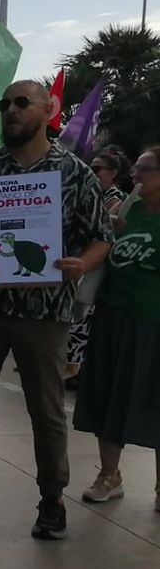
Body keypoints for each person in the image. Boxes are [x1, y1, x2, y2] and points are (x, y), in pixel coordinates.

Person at [0, 79, 113, 540]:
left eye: (21, 103)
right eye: (4, 103)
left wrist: (79, 266)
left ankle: (52, 501)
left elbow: (101, 235)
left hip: (43, 311)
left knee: (46, 412)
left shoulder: (73, 172)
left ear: (48, 110)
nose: (10, 110)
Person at [72, 149, 160, 510]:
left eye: (145, 168)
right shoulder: (125, 211)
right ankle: (110, 475)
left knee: (154, 400)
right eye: (135, 167)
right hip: (112, 317)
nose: (136, 173)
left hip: (153, 322)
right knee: (107, 395)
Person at [63, 149, 132, 388]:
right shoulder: (93, 193)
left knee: (82, 317)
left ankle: (74, 368)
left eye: (98, 168)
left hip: (94, 267)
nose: (92, 172)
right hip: (80, 261)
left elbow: (106, 229)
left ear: (113, 173)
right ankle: (72, 366)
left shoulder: (114, 198)